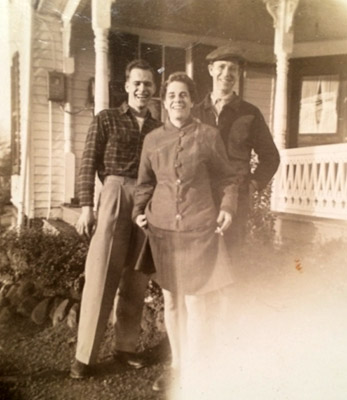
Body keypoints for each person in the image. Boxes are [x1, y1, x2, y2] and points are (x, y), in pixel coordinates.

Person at [133, 72, 239, 392]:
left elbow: (227, 178)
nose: (177, 100)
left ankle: (195, 367)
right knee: (172, 301)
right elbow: (145, 182)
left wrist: (228, 207)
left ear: (192, 101)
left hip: (198, 228)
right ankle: (177, 364)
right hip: (163, 229)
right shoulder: (152, 140)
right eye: (171, 95)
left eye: (183, 95)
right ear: (164, 102)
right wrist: (138, 211)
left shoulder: (208, 135)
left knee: (195, 302)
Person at [70, 59, 162, 379]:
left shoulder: (158, 128)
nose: (142, 89)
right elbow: (87, 164)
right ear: (126, 87)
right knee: (101, 274)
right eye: (136, 83)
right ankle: (84, 356)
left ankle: (125, 348)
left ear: (154, 89)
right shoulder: (106, 119)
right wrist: (86, 207)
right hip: (114, 192)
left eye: (148, 84)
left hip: (148, 202)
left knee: (136, 278)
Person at [193, 45, 280, 253]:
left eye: (232, 69)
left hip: (237, 198)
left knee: (232, 256)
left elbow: (271, 157)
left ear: (238, 73)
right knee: (201, 255)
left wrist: (252, 185)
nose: (227, 74)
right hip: (200, 196)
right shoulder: (195, 112)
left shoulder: (250, 113)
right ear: (211, 70)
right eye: (221, 67)